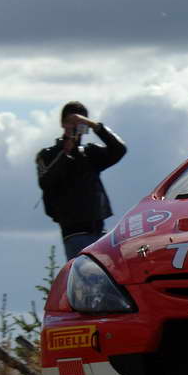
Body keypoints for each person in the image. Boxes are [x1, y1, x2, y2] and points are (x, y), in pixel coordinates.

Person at [35, 101, 127, 259]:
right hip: (73, 232)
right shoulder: (48, 154)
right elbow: (46, 182)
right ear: (63, 123)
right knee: (82, 273)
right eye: (71, 122)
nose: (76, 126)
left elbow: (119, 149)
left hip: (99, 230)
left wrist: (95, 126)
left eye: (80, 123)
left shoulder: (90, 153)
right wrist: (65, 152)